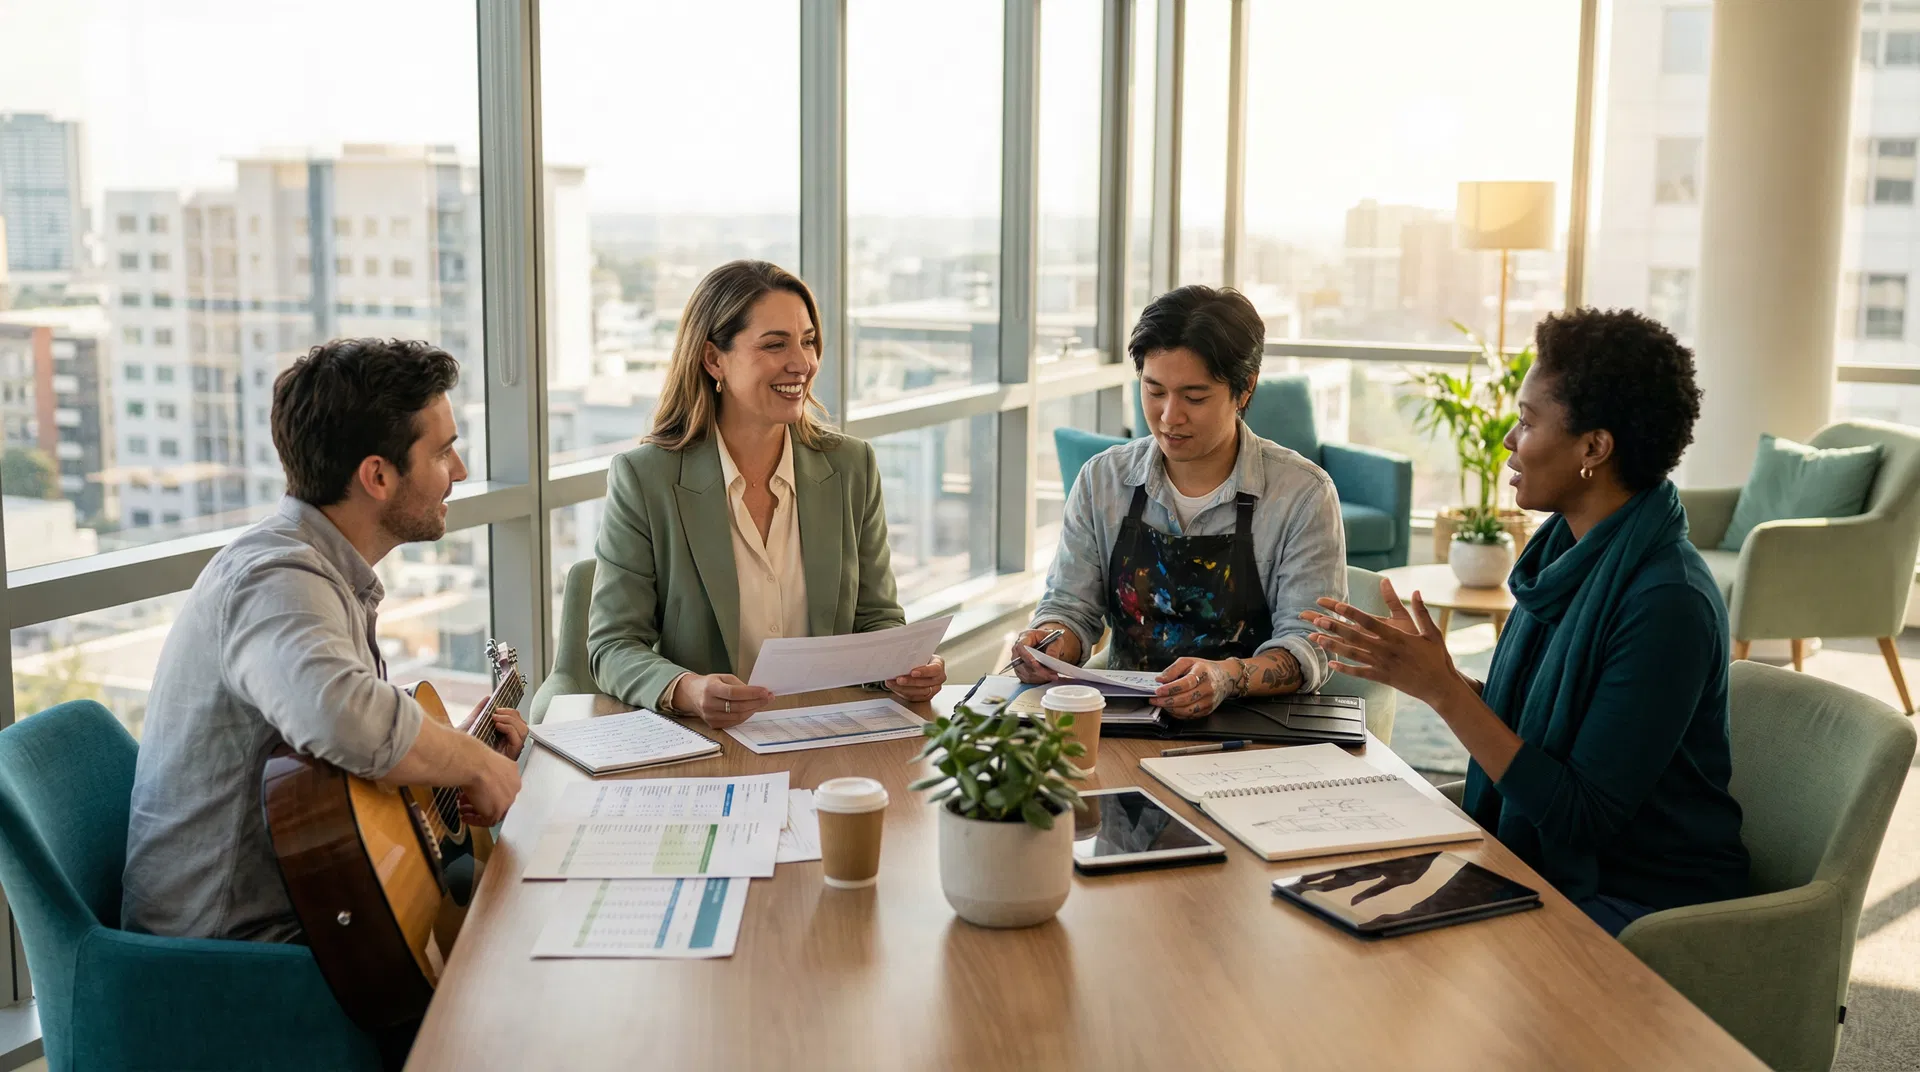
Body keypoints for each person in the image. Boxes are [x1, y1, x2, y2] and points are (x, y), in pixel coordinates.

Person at [1304, 307, 1749, 936]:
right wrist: (1436, 676)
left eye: (1529, 421)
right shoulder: (1566, 556)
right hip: (1560, 863)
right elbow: (1541, 729)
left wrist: (1443, 690)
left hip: (1638, 896)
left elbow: (1580, 816)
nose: (1510, 440)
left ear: (1594, 447)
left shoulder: (1667, 602)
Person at [123, 338, 527, 945]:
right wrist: (473, 762)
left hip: (308, 907)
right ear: (378, 476)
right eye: (444, 452)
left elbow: (336, 773)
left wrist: (450, 756)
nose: (461, 471)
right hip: (231, 952)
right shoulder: (274, 579)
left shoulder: (317, 569)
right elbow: (340, 716)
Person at [589, 260, 945, 727]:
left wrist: (904, 667)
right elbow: (613, 646)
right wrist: (687, 689)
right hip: (711, 740)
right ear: (713, 359)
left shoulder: (851, 465)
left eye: (808, 341)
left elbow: (876, 618)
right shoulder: (645, 478)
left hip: (830, 730)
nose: (802, 363)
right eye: (775, 344)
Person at [1013, 285, 1346, 719]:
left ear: (1245, 388)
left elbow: (1309, 647)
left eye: (1194, 397)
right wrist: (1048, 642)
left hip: (1257, 729)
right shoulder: (1102, 481)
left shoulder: (1302, 494)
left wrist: (1227, 677)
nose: (1170, 417)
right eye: (1154, 391)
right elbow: (1069, 608)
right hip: (1128, 720)